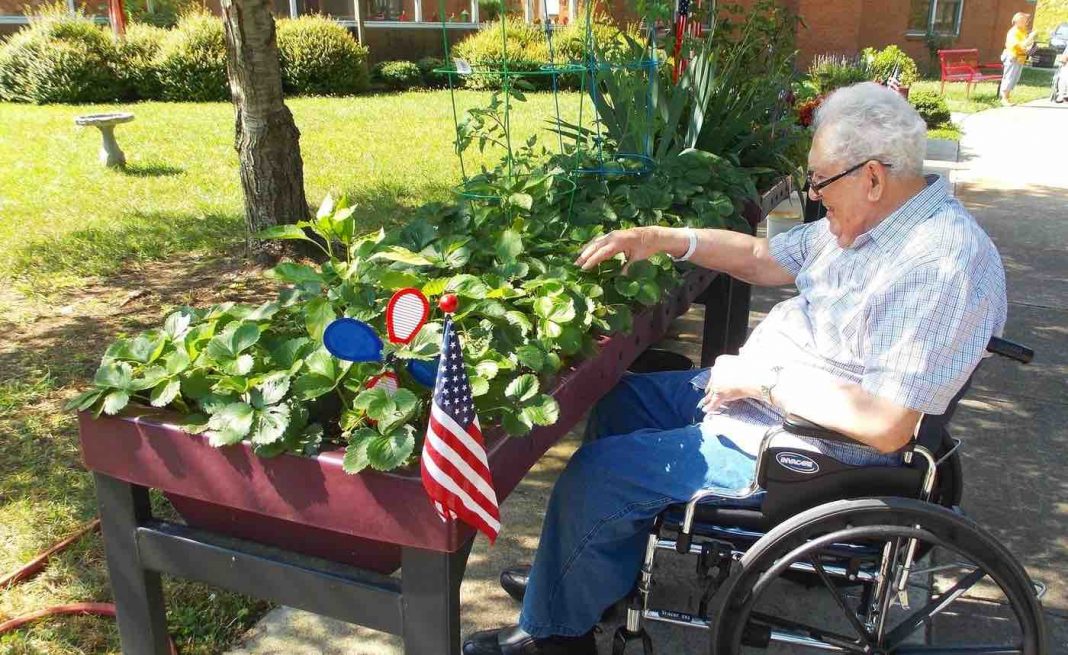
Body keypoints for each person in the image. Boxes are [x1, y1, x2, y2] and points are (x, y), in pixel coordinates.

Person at [461, 82, 1008, 655]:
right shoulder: (874, 223)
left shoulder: (938, 263)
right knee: (622, 402)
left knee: (598, 474)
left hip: (814, 452)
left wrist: (763, 381)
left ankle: (559, 635)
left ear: (872, 176)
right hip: (774, 401)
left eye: (820, 182)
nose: (814, 196)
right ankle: (586, 578)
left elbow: (887, 423)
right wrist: (663, 239)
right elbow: (762, 257)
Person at [1001, 12, 1037, 106]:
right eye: (1024, 20)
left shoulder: (1023, 31)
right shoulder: (1014, 32)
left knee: (1015, 78)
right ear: (1017, 21)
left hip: (1020, 57)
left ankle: (1007, 97)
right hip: (1013, 56)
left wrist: (1031, 44)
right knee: (1009, 77)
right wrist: (1030, 38)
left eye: (1026, 20)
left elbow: (1027, 45)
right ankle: (1004, 98)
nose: (1026, 22)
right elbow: (1021, 44)